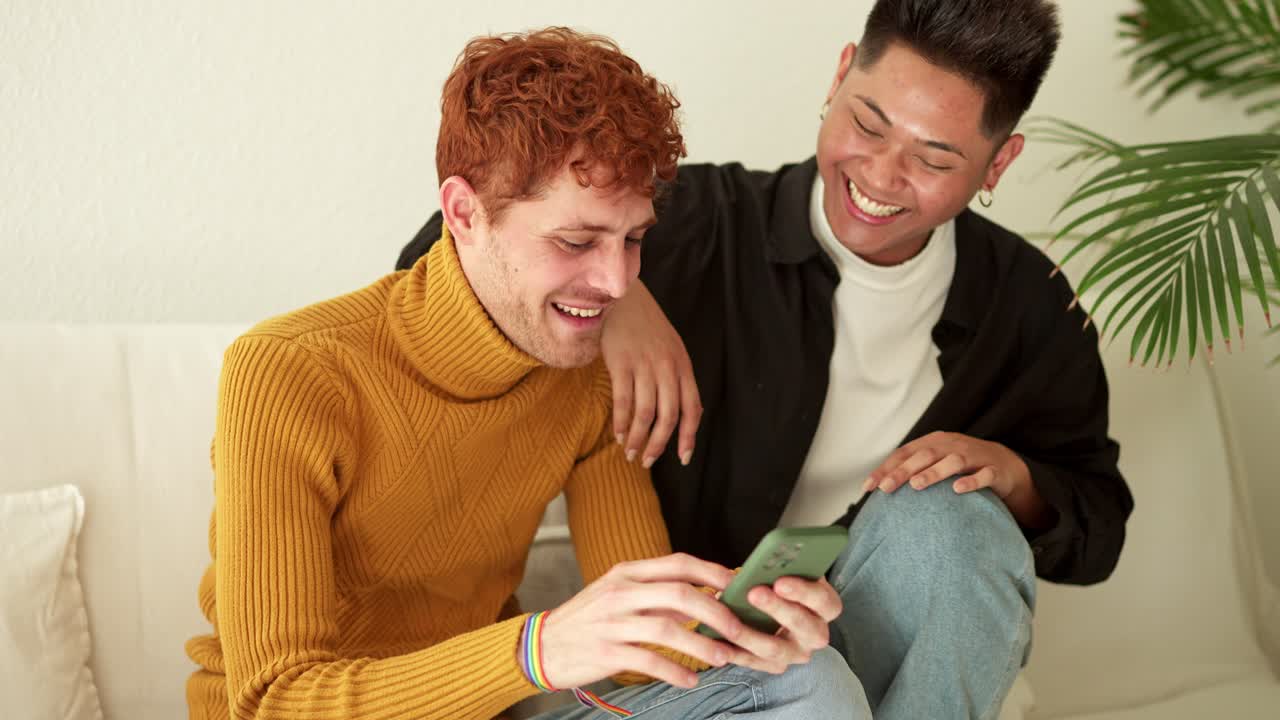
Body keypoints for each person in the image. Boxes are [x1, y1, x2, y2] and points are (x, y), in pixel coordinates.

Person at [400, 2, 1136, 718]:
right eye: (867, 125)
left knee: (956, 521)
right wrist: (618, 301)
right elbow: (446, 250)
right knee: (805, 683)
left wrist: (1013, 478)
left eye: (934, 158)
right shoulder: (698, 224)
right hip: (688, 666)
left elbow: (1098, 527)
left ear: (998, 161)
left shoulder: (1027, 305)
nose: (880, 176)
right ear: (840, 76)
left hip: (867, 651)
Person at [186, 27, 871, 720]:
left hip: (490, 710)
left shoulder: (586, 373)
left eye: (634, 239)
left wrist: (748, 619)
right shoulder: (288, 371)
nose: (618, 280)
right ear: (463, 213)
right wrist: (534, 650)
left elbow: (652, 656)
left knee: (807, 680)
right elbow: (274, 701)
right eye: (576, 241)